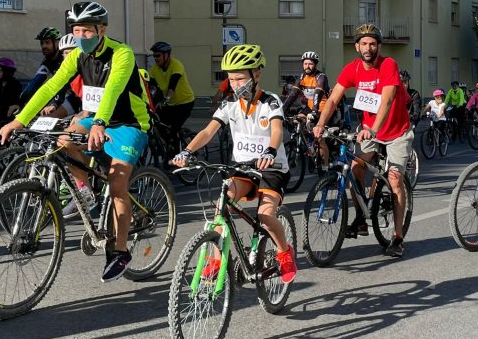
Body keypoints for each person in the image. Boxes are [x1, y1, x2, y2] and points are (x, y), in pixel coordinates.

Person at [0, 1, 153, 282]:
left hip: (128, 123)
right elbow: (51, 86)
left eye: (87, 30)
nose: (81, 36)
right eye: (76, 30)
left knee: (118, 184)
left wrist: (98, 123)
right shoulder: (76, 56)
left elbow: (113, 90)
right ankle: (84, 189)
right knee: (62, 141)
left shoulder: (122, 53)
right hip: (97, 118)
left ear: (101, 29)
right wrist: (19, 120)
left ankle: (119, 251)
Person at [172, 44, 297, 284]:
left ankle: (284, 252)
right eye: (231, 79)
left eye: (240, 78)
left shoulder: (270, 102)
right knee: (221, 208)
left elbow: (277, 130)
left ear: (256, 75)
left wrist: (270, 150)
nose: (235, 84)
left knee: (266, 216)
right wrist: (187, 151)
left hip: (272, 168)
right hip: (242, 169)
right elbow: (208, 131)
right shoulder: (228, 104)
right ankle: (217, 262)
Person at [312, 23, 413, 257]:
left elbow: (386, 101)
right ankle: (360, 218)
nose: (368, 48)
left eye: (373, 43)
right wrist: (320, 123)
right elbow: (333, 98)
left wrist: (374, 129)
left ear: (379, 46)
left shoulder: (388, 65)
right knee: (355, 168)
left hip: (396, 132)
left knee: (395, 181)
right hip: (369, 131)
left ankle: (397, 237)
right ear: (357, 46)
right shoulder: (353, 69)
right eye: (364, 43)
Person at [148, 41, 195, 149]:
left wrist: (166, 99)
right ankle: (168, 145)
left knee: (174, 129)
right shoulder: (155, 69)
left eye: (158, 55)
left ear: (167, 55)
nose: (156, 58)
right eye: (154, 56)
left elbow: (172, 86)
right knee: (157, 123)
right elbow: (150, 87)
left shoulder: (176, 65)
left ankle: (176, 155)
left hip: (185, 103)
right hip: (170, 103)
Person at [13, 26, 64, 113]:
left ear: (57, 43)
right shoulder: (47, 62)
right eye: (42, 43)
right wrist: (20, 102)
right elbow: (35, 82)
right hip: (59, 97)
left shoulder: (65, 58)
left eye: (47, 42)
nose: (44, 46)